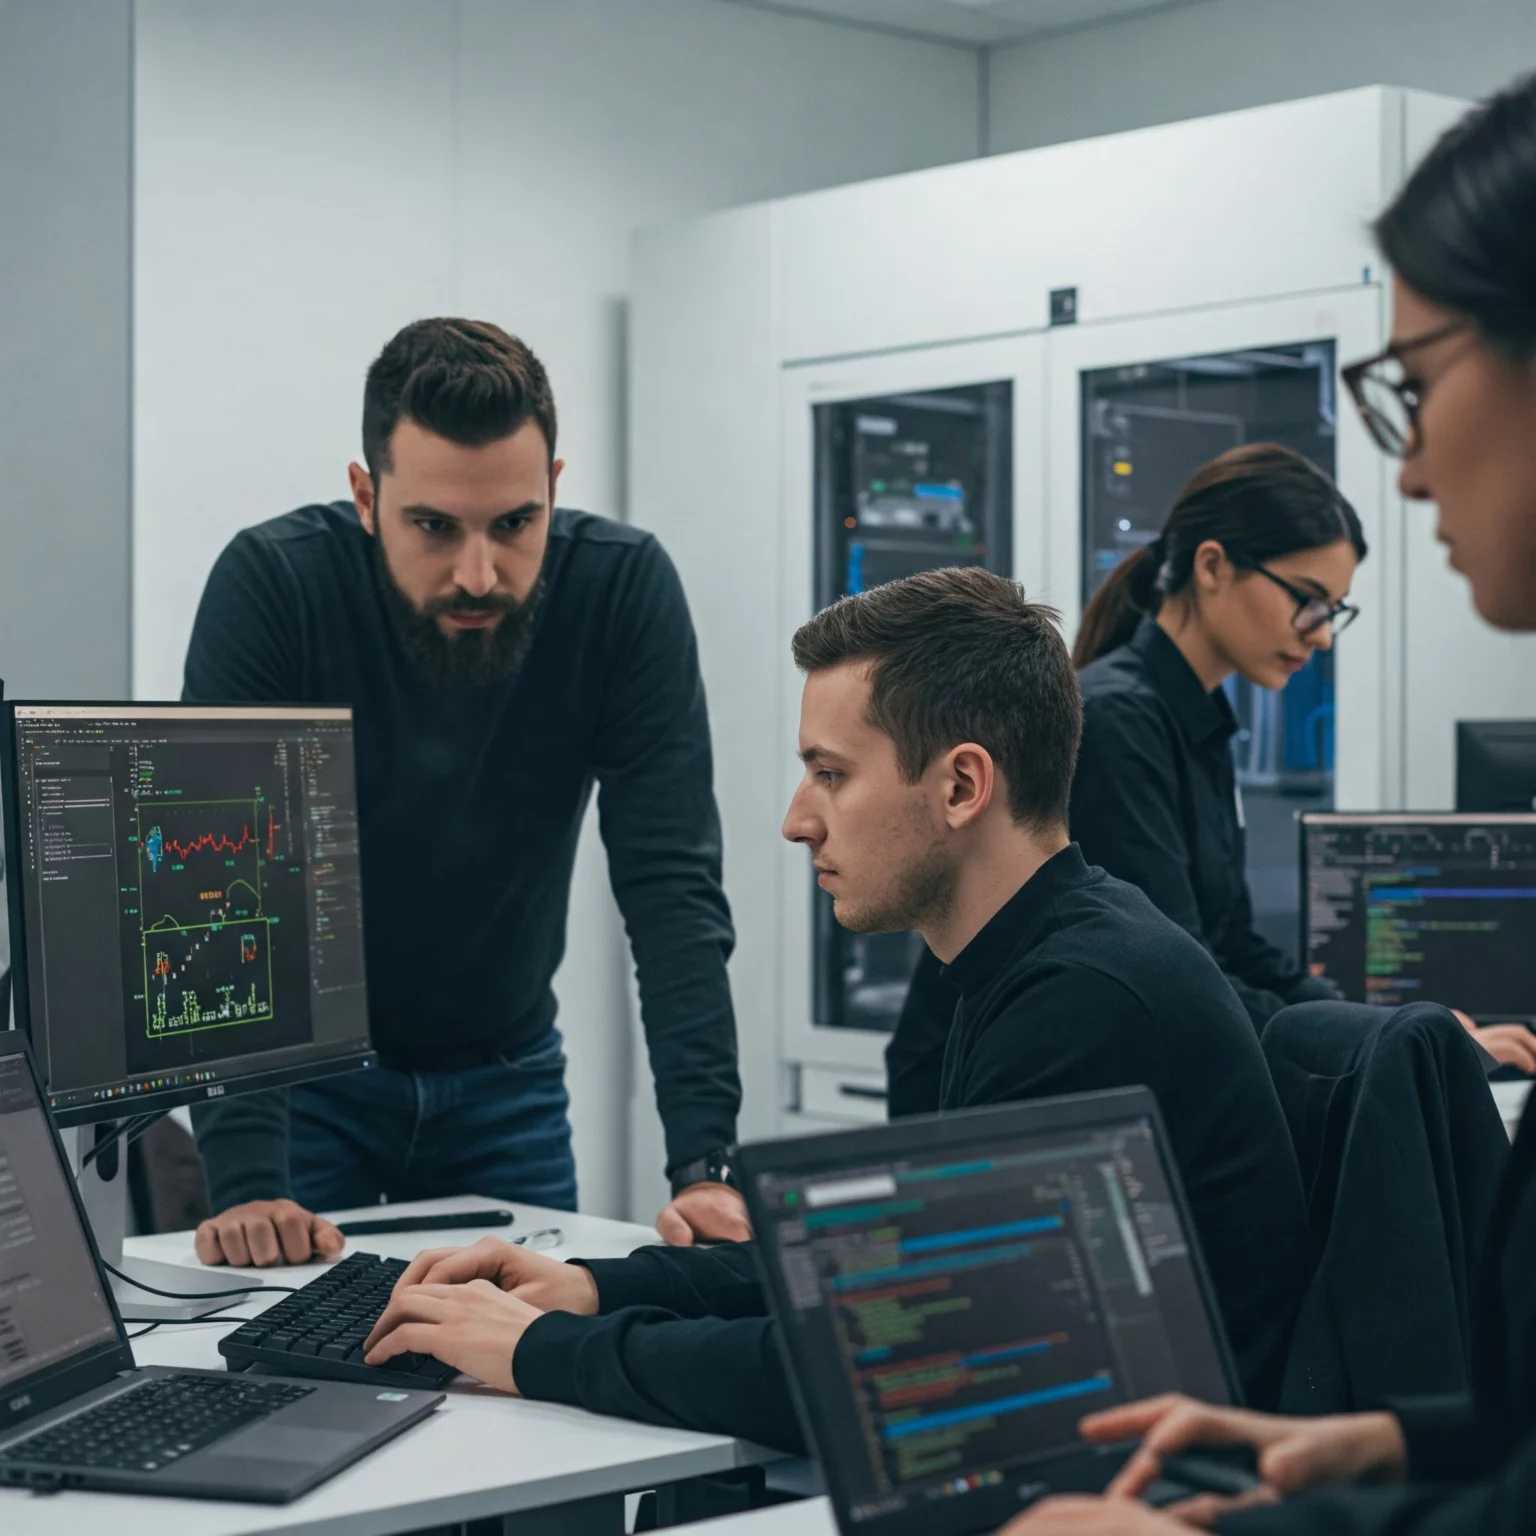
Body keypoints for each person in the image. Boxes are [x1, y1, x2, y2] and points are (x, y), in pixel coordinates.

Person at [359, 565, 1314, 1447]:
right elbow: (888, 1271)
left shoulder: (1084, 1005)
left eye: (831, 773)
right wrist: (588, 1287)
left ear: (963, 785)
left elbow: (881, 1369)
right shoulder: (1030, 958)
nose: (796, 819)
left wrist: (535, 1353)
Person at [994, 68, 1536, 1536]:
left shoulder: (1193, 723)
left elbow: (1218, 957)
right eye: (1309, 599)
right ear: (1215, 568)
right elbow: (1181, 983)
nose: (1413, 462)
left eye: (1423, 382)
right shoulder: (1117, 719)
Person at [184, 318, 747, 1265]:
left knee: (534, 1371)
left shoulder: (622, 592)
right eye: (435, 527)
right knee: (302, 1377)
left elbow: (671, 887)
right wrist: (248, 1184)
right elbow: (227, 889)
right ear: (367, 496)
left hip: (507, 1078)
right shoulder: (276, 586)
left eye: (515, 525)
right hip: (309, 1089)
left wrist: (707, 1166)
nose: (479, 572)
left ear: (555, 490)